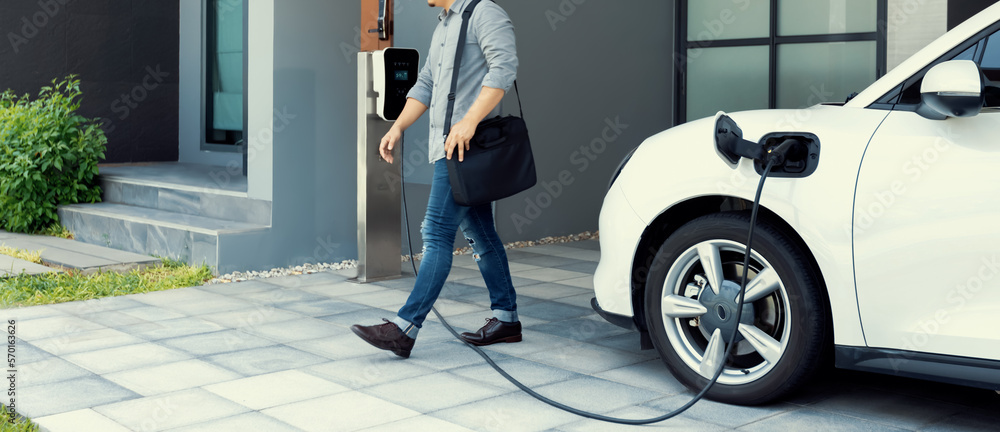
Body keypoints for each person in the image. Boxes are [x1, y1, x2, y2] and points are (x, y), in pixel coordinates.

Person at [351, 0, 520, 358]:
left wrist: (470, 120)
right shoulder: (444, 24)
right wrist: (397, 127)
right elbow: (426, 82)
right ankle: (506, 319)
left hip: (466, 147)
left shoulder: (485, 13)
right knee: (480, 231)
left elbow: (503, 69)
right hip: (449, 147)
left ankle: (405, 328)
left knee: (436, 232)